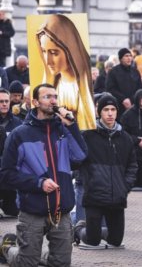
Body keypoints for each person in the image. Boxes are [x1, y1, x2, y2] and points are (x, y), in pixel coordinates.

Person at [0, 83, 88, 266]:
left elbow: (80, 157)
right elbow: (7, 174)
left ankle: (37, 255)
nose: (53, 101)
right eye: (47, 97)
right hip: (32, 209)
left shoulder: (64, 131)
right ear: (34, 102)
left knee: (61, 262)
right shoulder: (19, 135)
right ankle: (7, 250)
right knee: (27, 262)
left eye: (55, 96)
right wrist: (39, 183)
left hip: (61, 209)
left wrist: (72, 126)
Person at [73, 94, 137, 248]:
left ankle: (96, 230)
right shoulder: (88, 136)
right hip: (95, 197)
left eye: (113, 109)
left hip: (117, 198)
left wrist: (125, 186)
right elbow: (76, 161)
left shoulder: (125, 138)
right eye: (106, 109)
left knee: (116, 241)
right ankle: (78, 229)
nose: (110, 113)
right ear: (99, 112)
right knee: (92, 240)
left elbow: (133, 166)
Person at [36, 14, 96, 130]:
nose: (48, 61)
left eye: (54, 53)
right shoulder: (52, 83)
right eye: (44, 51)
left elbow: (86, 123)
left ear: (70, 50)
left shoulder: (81, 86)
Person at [120, 89, 142, 191]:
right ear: (137, 99)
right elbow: (123, 133)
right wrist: (137, 140)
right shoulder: (128, 115)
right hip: (133, 150)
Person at [0, 88, 22, 217]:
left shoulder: (17, 123)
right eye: (1, 101)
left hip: (12, 170)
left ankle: (6, 203)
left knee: (14, 212)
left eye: (6, 101)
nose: (4, 104)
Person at [106, 48, 142, 119]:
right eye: (126, 56)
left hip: (133, 106)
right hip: (118, 107)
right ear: (120, 58)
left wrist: (132, 100)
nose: (129, 58)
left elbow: (140, 88)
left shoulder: (135, 72)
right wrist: (123, 99)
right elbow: (110, 88)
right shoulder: (113, 72)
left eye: (130, 56)